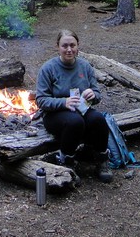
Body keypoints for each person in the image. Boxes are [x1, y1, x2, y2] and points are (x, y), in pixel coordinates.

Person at [35, 29, 113, 183]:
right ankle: (67, 162)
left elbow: (97, 94)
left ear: (78, 46)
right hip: (54, 114)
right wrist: (63, 102)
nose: (69, 49)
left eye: (72, 45)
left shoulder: (85, 66)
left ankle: (102, 159)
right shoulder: (48, 68)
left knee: (98, 119)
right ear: (58, 47)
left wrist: (93, 95)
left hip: (81, 109)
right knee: (75, 122)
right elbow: (41, 100)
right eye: (65, 46)